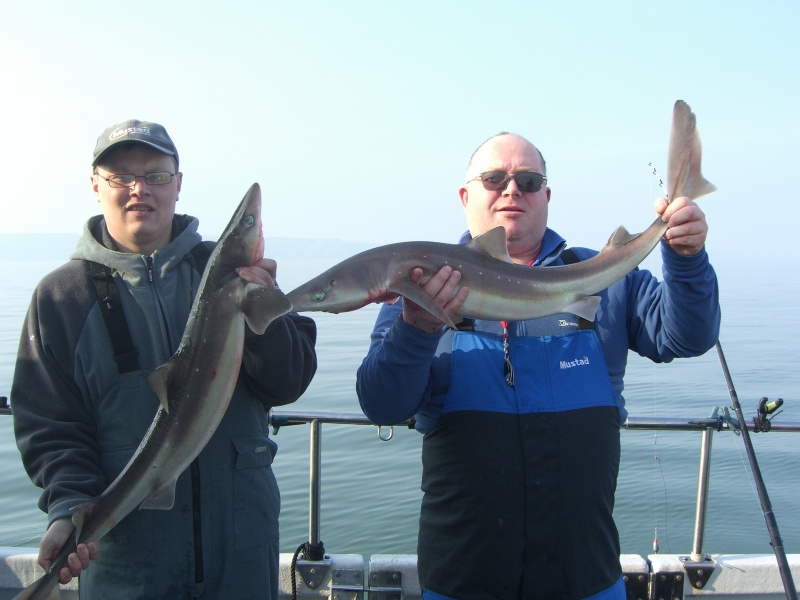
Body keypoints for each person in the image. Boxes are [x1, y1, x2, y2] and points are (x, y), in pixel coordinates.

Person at [356, 131, 720, 600]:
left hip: (587, 579)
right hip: (463, 581)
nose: (512, 190)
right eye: (495, 179)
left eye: (528, 181)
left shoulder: (604, 275)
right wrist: (416, 328)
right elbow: (383, 404)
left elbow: (686, 336)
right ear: (465, 196)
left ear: (546, 196)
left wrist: (686, 260)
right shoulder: (419, 289)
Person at [11, 119, 317, 599]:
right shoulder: (61, 298)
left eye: (156, 175)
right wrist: (69, 506)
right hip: (125, 560)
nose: (140, 189)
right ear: (95, 185)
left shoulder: (230, 272)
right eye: (122, 176)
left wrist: (265, 304)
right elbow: (50, 426)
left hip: (241, 552)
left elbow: (290, 381)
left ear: (178, 184)